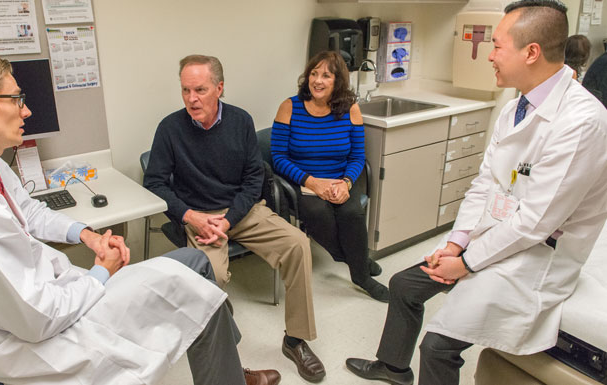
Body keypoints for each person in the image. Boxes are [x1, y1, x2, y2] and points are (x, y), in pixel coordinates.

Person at [0, 52, 280, 385]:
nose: (27, 111)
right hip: (36, 338)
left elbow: (29, 212)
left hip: (55, 296)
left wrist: (87, 235)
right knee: (195, 275)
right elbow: (36, 318)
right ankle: (231, 371)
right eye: (16, 99)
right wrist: (101, 272)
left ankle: (229, 367)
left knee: (195, 273)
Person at [345, 1, 607, 384]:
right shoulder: (516, 106)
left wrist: (465, 264)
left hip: (536, 258)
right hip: (492, 237)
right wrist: (456, 242)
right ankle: (392, 368)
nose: (490, 55)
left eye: (498, 45)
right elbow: (485, 183)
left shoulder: (582, 122)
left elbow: (534, 224)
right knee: (404, 284)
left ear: (531, 52)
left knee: (437, 347)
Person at [143, 54, 326, 382]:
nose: (191, 99)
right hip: (198, 216)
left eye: (199, 89)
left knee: (298, 244)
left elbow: (254, 179)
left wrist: (229, 220)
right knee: (208, 279)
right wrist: (190, 217)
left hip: (241, 211)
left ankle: (296, 340)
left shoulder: (240, 122)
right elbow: (154, 182)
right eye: (185, 90)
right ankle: (230, 366)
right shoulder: (170, 128)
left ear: (219, 88)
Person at [271, 51, 388, 302]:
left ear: (338, 81)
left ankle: (360, 275)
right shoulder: (289, 107)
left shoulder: (350, 110)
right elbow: (278, 158)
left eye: (326, 75)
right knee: (318, 214)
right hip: (304, 181)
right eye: (314, 74)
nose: (318, 81)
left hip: (340, 178)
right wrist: (312, 181)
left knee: (351, 213)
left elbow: (357, 158)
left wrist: (346, 183)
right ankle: (357, 263)